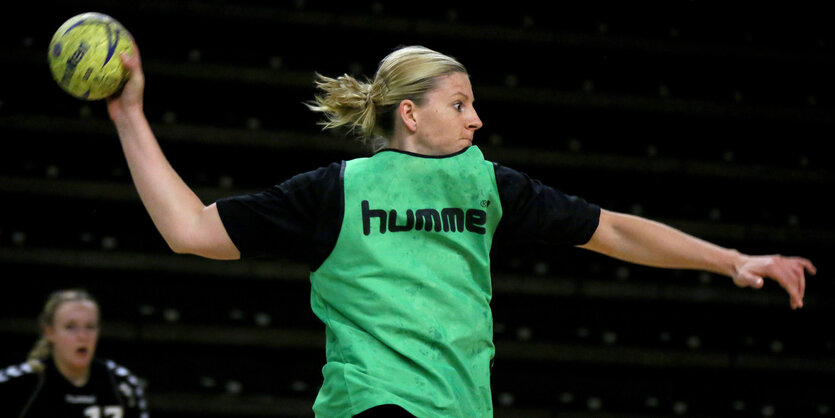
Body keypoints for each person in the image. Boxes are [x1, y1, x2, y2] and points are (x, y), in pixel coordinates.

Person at [104, 42, 816, 417]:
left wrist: (728, 260)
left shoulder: (487, 184)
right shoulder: (335, 192)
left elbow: (615, 232)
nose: (476, 119)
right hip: (372, 403)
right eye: (459, 102)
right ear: (410, 113)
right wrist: (128, 115)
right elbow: (190, 230)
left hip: (460, 406)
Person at [0, 289, 149, 418]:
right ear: (50, 332)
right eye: (71, 327)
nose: (82, 336)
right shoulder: (16, 384)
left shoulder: (122, 383)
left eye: (90, 327)